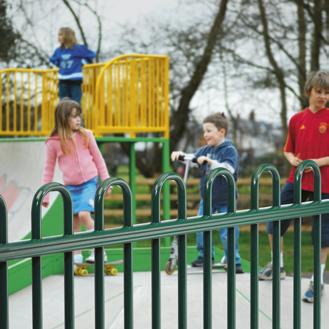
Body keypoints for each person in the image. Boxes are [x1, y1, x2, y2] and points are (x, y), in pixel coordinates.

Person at [258, 71, 329, 303]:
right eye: (319, 92)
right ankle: (277, 265)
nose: (323, 96)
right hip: (296, 178)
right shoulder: (296, 119)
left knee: (323, 235)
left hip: (325, 182)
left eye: (327, 93)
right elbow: (288, 149)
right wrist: (292, 160)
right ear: (309, 91)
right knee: (274, 222)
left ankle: (317, 281)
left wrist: (316, 163)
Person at [171, 112, 243, 273]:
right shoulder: (205, 149)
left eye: (209, 131)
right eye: (204, 131)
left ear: (221, 131)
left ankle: (234, 259)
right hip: (208, 197)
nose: (205, 134)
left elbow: (229, 169)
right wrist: (181, 155)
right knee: (202, 227)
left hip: (226, 199)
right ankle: (205, 256)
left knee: (227, 230)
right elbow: (194, 158)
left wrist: (211, 162)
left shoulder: (229, 150)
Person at [42, 98, 110, 264]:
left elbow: (99, 159)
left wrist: (106, 181)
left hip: (89, 182)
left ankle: (99, 249)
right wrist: (45, 195)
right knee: (73, 222)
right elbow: (48, 170)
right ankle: (77, 254)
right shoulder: (53, 143)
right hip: (70, 187)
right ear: (64, 119)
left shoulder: (86, 135)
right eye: (73, 116)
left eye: (79, 115)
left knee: (84, 214)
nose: (78, 119)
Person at [50, 27, 95, 103]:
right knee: (63, 100)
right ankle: (64, 115)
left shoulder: (79, 48)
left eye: (60, 35)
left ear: (67, 36)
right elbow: (52, 59)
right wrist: (59, 64)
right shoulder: (59, 50)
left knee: (76, 100)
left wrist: (83, 62)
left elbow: (91, 55)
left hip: (75, 79)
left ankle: (76, 114)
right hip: (63, 79)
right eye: (58, 35)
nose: (58, 37)